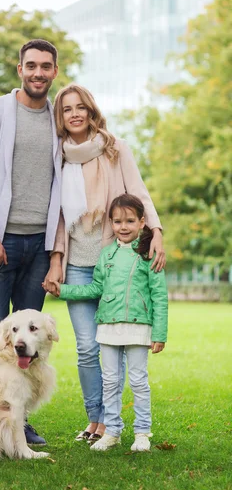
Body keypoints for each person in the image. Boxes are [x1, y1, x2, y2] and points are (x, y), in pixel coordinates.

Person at [43, 84, 165, 443]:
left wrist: (156, 229)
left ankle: (114, 423)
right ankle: (95, 420)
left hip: (115, 262)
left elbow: (139, 192)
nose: (75, 114)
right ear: (61, 118)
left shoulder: (115, 149)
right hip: (78, 264)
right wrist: (56, 259)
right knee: (86, 346)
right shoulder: (60, 156)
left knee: (117, 345)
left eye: (81, 107)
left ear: (91, 110)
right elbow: (58, 216)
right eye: (67, 110)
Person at [0, 39, 63, 445]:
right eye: (31, 65)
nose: (38, 72)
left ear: (55, 71)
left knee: (27, 340)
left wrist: (57, 250)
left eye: (46, 66)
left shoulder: (60, 117)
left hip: (40, 244)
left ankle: (18, 421)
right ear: (19, 69)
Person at [48, 194, 168, 452]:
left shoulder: (149, 254)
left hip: (138, 327)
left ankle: (142, 432)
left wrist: (159, 333)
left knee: (138, 380)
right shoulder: (106, 255)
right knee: (111, 381)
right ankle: (112, 431)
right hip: (108, 328)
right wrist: (64, 291)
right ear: (111, 224)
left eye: (130, 221)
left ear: (142, 221)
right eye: (117, 221)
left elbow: (159, 295)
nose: (123, 227)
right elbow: (95, 288)